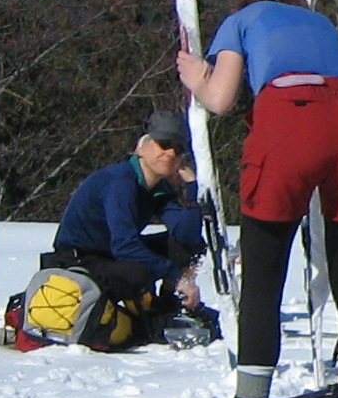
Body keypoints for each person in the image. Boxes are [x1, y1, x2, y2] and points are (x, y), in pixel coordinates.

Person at [177, 0, 338, 398]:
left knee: (263, 272)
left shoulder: (241, 20)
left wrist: (198, 78)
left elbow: (221, 99)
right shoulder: (321, 23)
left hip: (290, 117)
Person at [44, 109, 217, 337]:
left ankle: (173, 309)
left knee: (190, 248)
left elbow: (186, 236)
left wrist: (192, 187)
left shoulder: (157, 188)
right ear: (141, 148)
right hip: (79, 260)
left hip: (110, 255)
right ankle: (152, 321)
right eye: (163, 144)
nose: (170, 153)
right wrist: (176, 278)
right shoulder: (120, 182)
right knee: (138, 270)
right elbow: (124, 245)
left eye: (178, 149)